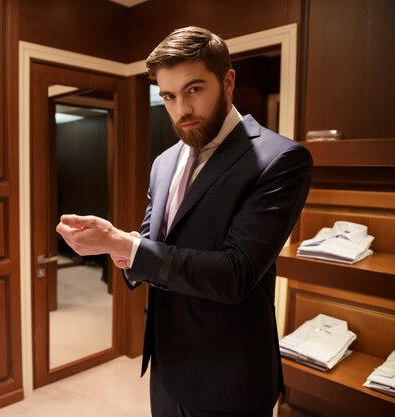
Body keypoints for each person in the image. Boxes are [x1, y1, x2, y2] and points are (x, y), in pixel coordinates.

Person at [56, 26, 313, 417]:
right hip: (167, 367)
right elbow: (150, 241)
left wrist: (128, 247)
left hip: (231, 378)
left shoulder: (280, 159)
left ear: (227, 82)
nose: (181, 110)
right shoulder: (164, 162)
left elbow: (236, 273)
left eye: (194, 90)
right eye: (169, 96)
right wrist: (114, 246)